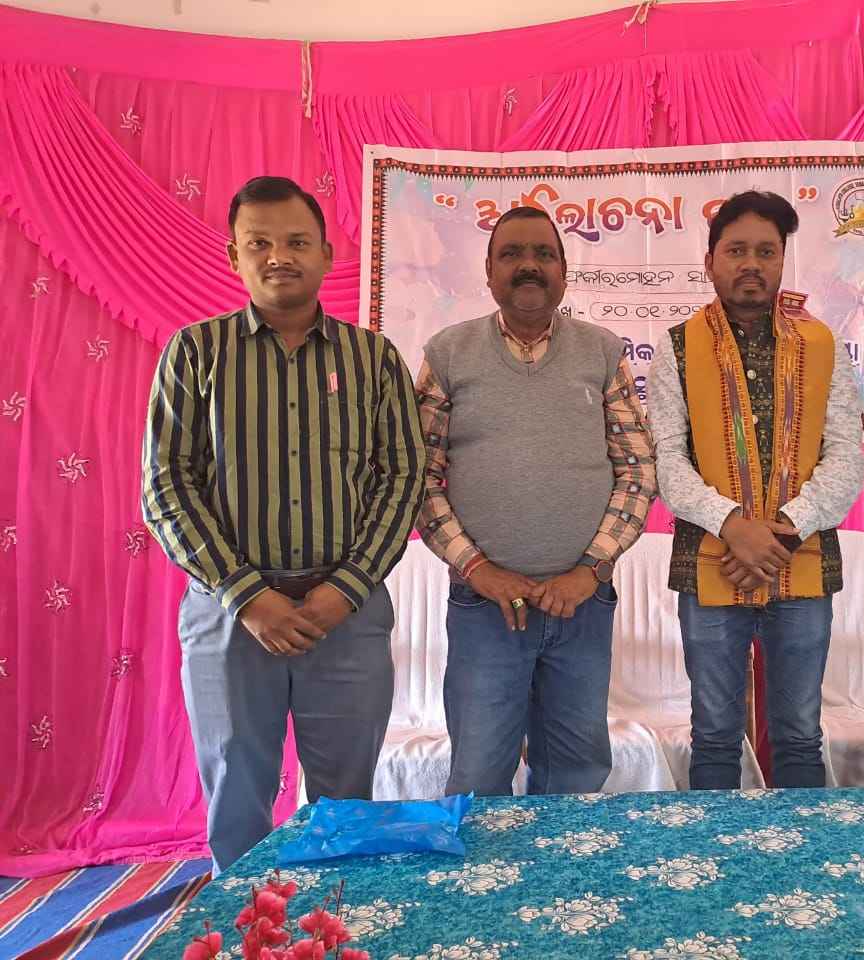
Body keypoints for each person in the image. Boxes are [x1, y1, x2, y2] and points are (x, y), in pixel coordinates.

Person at [141, 176, 427, 872]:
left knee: (345, 802)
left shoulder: (373, 358)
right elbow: (165, 485)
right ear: (233, 256)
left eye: (297, 241)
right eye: (259, 243)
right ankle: (247, 920)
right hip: (229, 615)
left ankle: (339, 920)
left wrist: (344, 590)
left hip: (346, 614)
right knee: (236, 788)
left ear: (327, 253)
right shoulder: (195, 352)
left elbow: (403, 478)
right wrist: (249, 597)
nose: (279, 257)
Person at [415, 206, 656, 796]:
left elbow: (637, 470)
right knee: (478, 780)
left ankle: (563, 867)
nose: (529, 265)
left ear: (564, 270)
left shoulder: (601, 351)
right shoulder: (448, 352)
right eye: (512, 254)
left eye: (544, 254)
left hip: (582, 606)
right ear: (488, 271)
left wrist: (590, 570)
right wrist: (479, 570)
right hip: (484, 608)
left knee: (575, 779)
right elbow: (420, 478)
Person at [648, 191, 864, 790]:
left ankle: (800, 851)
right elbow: (668, 459)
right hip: (710, 560)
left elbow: (845, 454)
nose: (751, 264)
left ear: (782, 261)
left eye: (766, 252)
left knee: (799, 736)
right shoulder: (677, 346)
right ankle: (714, 851)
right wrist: (733, 526)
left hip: (803, 559)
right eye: (736, 250)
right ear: (710, 260)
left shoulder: (821, 345)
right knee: (715, 737)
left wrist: (780, 535)